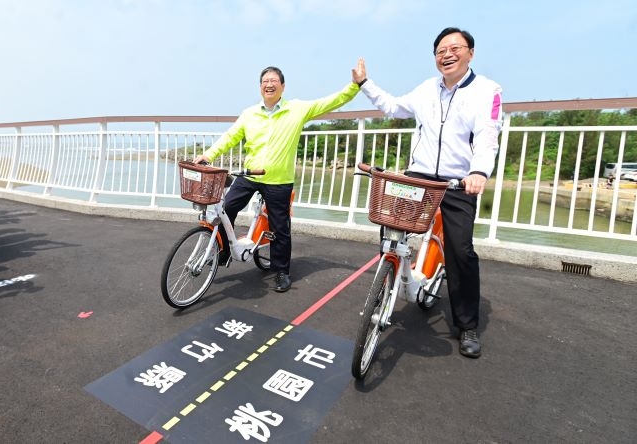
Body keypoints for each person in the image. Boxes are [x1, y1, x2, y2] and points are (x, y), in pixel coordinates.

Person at [352, 27, 503, 358]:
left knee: (461, 251)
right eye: (440, 51)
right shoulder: (425, 89)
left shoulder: (487, 90)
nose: (447, 55)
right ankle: (391, 279)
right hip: (419, 175)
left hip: (458, 180)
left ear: (470, 53)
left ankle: (467, 325)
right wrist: (365, 84)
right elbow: (393, 107)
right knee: (391, 230)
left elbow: (488, 136)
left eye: (454, 48)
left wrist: (478, 172)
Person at [194, 63, 363, 293]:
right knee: (226, 207)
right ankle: (224, 251)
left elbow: (330, 102)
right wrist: (208, 154)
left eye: (274, 81)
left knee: (280, 227)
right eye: (265, 81)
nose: (269, 84)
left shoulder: (297, 109)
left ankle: (282, 271)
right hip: (251, 174)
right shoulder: (250, 114)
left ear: (282, 87)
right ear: (260, 87)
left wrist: (355, 86)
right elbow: (230, 137)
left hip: (279, 180)